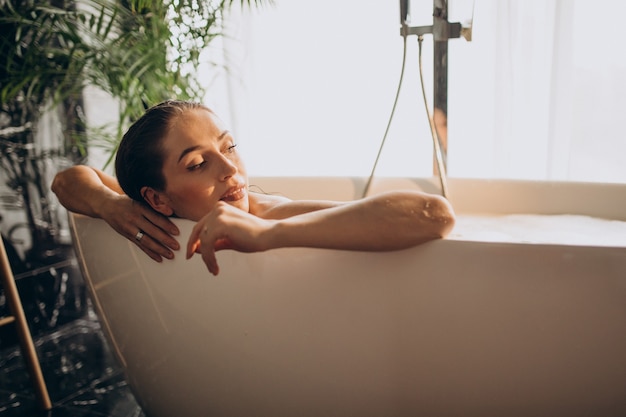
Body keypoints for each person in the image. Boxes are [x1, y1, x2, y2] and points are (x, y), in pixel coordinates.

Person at [52, 100, 455, 275]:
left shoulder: (265, 213)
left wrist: (270, 235)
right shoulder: (148, 216)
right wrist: (109, 205)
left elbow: (436, 214)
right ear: (156, 199)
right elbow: (68, 180)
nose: (230, 169)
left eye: (229, 147)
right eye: (197, 163)